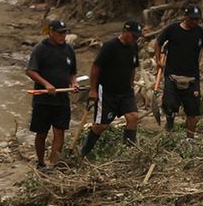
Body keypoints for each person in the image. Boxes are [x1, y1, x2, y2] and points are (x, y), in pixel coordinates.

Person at [155, 4, 203, 137]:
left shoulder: (201, 33)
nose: (194, 22)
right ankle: (170, 124)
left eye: (197, 19)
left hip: (192, 78)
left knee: (193, 111)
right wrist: (158, 60)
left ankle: (190, 139)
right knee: (169, 105)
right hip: (172, 75)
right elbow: (158, 42)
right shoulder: (172, 29)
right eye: (192, 19)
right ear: (185, 17)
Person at [82, 21, 144, 157]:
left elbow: (133, 66)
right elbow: (95, 67)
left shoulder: (134, 47)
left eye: (137, 37)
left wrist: (131, 84)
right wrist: (93, 90)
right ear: (125, 32)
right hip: (107, 92)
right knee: (101, 126)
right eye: (133, 36)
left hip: (126, 91)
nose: (135, 39)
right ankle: (84, 152)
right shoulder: (110, 46)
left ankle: (128, 152)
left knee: (133, 117)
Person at [25, 20, 77, 168]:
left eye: (65, 32)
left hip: (62, 99)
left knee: (59, 131)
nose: (63, 36)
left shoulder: (69, 50)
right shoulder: (40, 49)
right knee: (41, 133)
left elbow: (72, 72)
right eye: (60, 33)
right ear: (51, 32)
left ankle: (53, 164)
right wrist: (46, 84)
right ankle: (41, 162)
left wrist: (74, 83)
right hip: (43, 99)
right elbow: (30, 70)